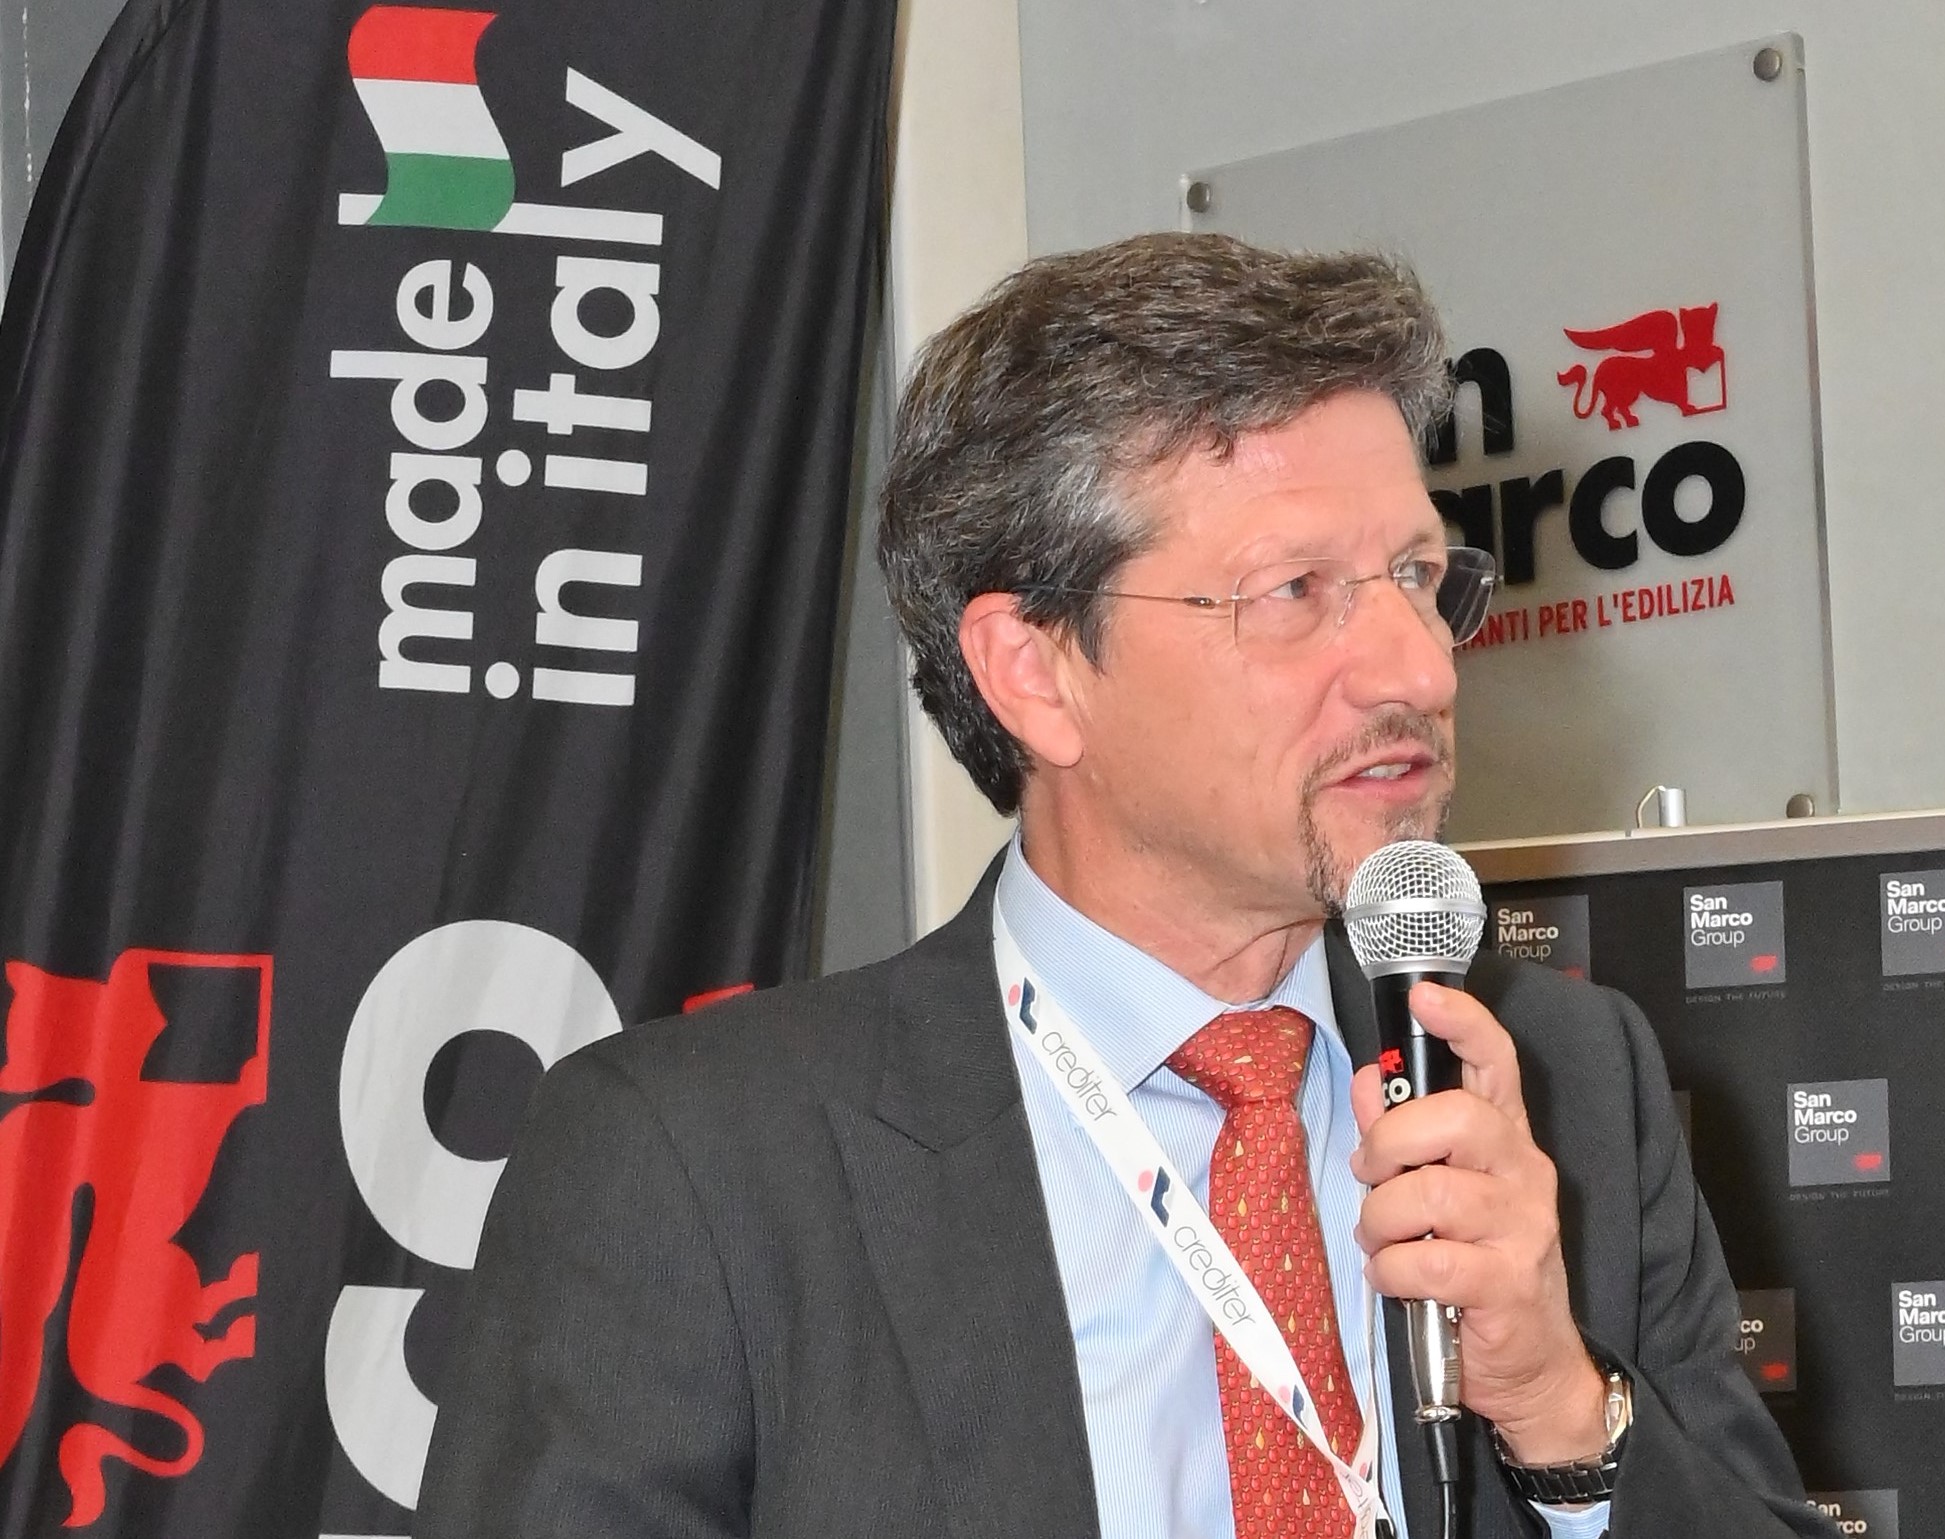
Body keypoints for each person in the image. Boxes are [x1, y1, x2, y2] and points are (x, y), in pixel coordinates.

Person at [415, 233, 1837, 1539]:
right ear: (1036, 673)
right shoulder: (695, 1167)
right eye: (1295, 592)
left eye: (1417, 576)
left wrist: (1562, 1414)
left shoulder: (1564, 1085)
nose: (1416, 667)